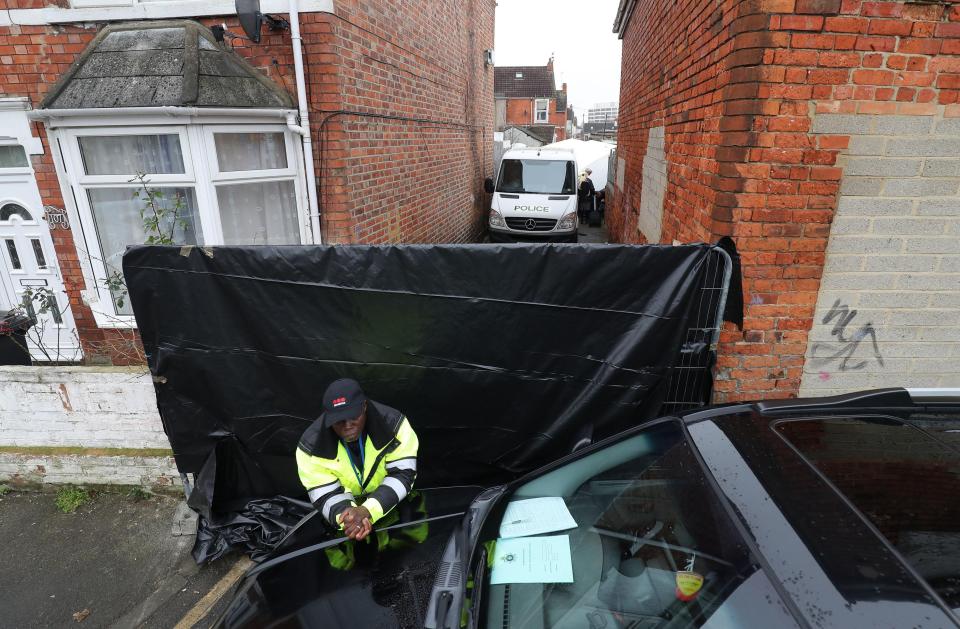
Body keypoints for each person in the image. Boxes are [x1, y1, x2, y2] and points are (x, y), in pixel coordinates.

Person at [296, 378, 419, 541]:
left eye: (353, 416)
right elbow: (324, 494)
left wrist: (367, 510)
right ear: (327, 418)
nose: (347, 425)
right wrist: (347, 517)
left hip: (392, 502)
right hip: (348, 521)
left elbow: (403, 474)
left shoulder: (395, 425)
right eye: (338, 420)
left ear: (365, 406)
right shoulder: (309, 448)